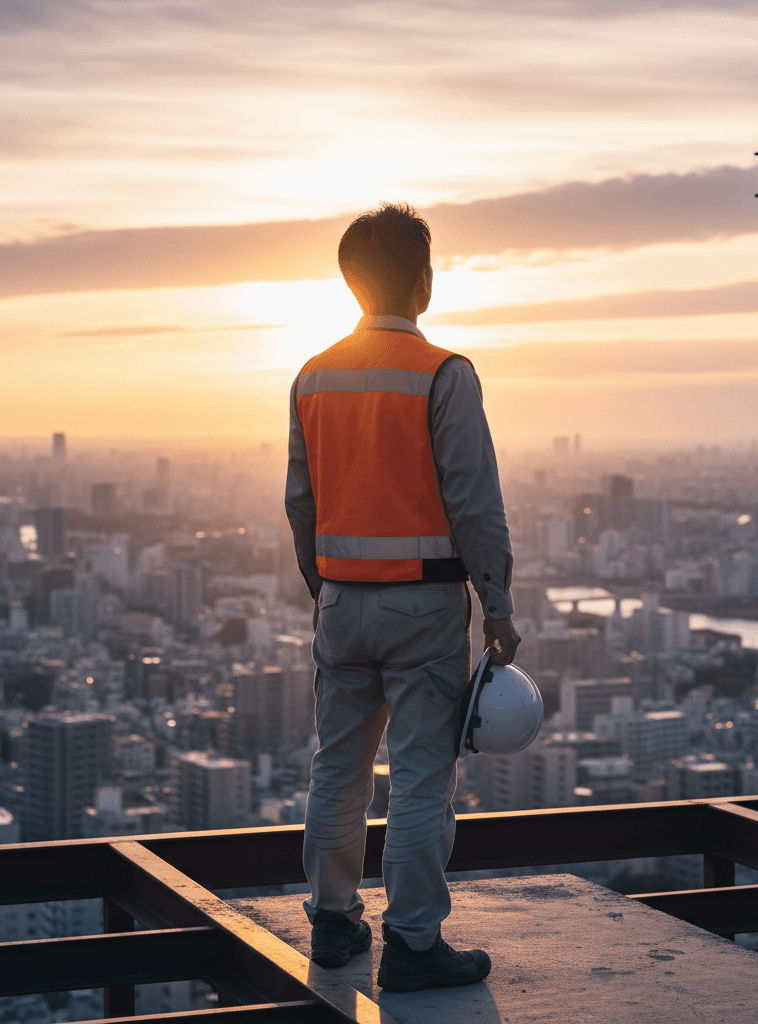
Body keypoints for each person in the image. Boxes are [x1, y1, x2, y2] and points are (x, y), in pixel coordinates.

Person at [284, 201, 520, 992]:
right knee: (422, 774)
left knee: (337, 767)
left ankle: (332, 921)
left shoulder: (312, 375)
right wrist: (499, 604)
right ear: (422, 279)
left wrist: (328, 589)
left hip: (341, 603)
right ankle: (414, 944)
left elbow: (300, 501)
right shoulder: (444, 374)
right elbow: (473, 501)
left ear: (351, 281)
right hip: (422, 608)